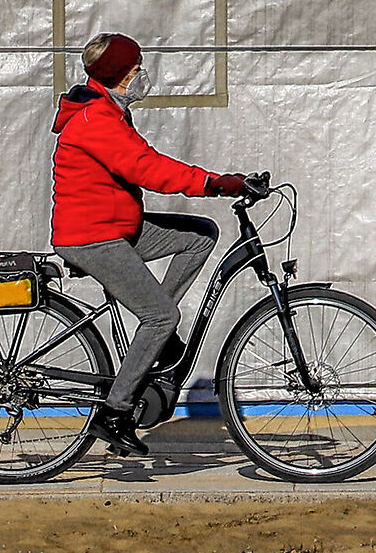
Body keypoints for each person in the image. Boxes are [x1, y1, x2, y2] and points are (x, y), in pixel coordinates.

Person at [52, 30, 256, 458]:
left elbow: (143, 162)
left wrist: (217, 183)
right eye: (136, 69)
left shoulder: (109, 110)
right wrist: (215, 183)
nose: (143, 74)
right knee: (161, 315)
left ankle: (156, 343)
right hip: (92, 237)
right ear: (119, 75)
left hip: (118, 226)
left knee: (200, 235)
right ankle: (115, 411)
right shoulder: (96, 121)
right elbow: (148, 167)